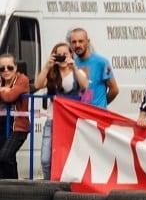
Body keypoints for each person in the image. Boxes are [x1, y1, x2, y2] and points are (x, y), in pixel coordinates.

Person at [35, 42, 88, 180]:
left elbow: (85, 86)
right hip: (52, 120)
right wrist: (47, 66)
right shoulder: (52, 73)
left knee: (68, 157)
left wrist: (74, 67)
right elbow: (38, 85)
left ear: (71, 55)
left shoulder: (78, 72)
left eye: (66, 54)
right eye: (60, 55)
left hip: (71, 121)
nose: (63, 57)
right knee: (46, 159)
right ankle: (48, 184)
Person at [69, 27, 119, 108]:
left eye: (81, 41)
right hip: (79, 114)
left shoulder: (102, 62)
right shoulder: (71, 64)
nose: (77, 45)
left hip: (96, 116)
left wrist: (102, 104)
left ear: (88, 42)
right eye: (74, 42)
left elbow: (114, 90)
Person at [0, 53, 32, 179]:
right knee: (7, 160)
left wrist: (3, 91)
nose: (6, 71)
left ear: (16, 67)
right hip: (2, 124)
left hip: (18, 127)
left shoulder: (22, 79)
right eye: (2, 68)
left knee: (4, 156)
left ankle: (15, 188)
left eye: (10, 67)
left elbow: (9, 97)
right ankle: (8, 191)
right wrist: (3, 90)